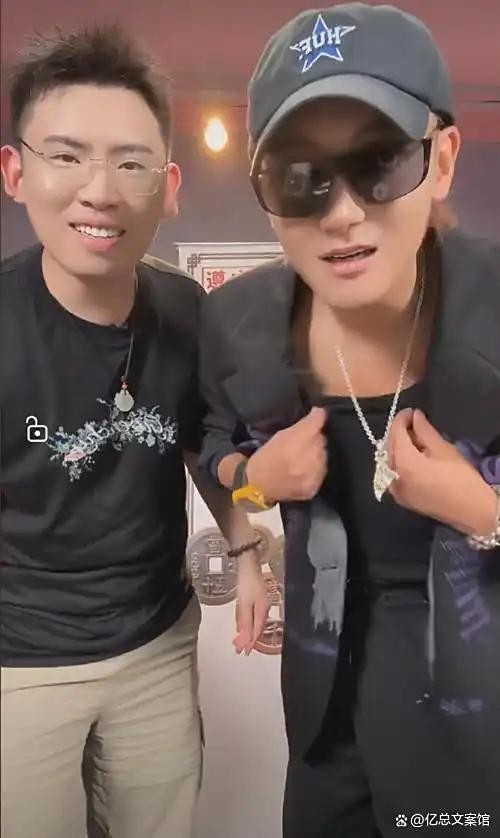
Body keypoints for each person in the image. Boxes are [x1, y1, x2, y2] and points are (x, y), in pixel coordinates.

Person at [199, 4, 500, 836]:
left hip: (473, 704)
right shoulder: (240, 325)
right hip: (323, 701)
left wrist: (482, 510)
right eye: (301, 176)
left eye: (379, 164)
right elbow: (215, 448)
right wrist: (253, 492)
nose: (340, 213)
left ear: (442, 160)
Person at [0, 25, 267, 838]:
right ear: (16, 172)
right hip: (20, 659)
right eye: (66, 155)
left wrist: (247, 548)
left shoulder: (185, 309)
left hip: (156, 639)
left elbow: (201, 446)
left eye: (131, 162)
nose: (100, 191)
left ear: (169, 185)